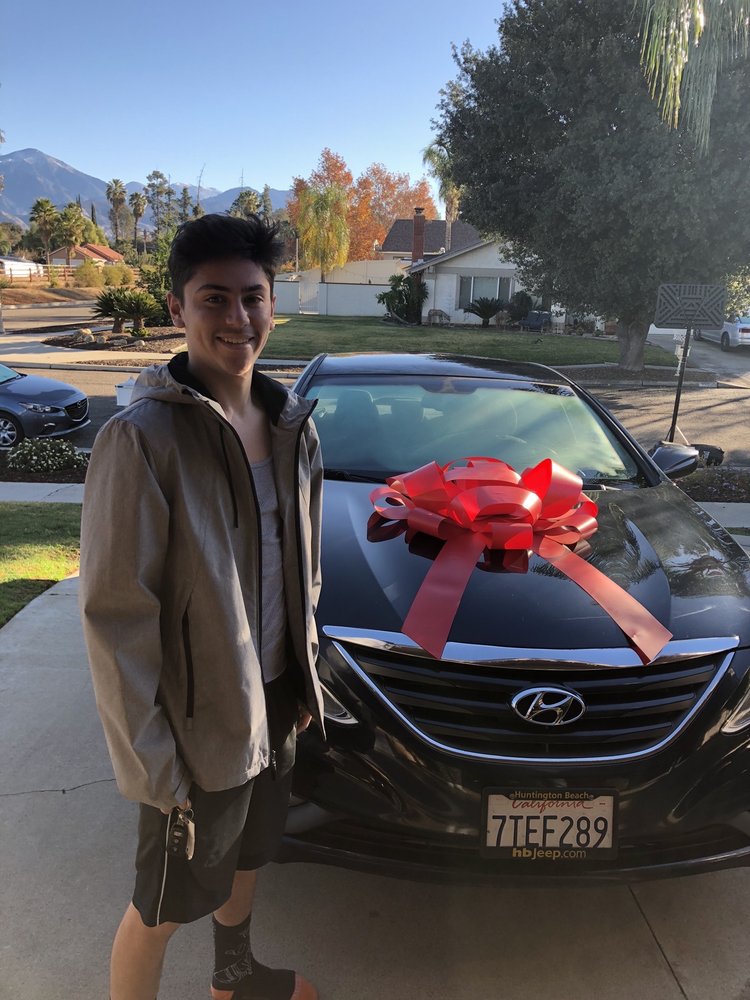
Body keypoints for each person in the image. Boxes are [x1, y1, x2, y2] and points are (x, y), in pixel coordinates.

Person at [79, 213, 324, 1000]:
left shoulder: (291, 428)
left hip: (275, 701)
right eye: (213, 298)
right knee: (162, 907)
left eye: (252, 296)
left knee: (250, 854)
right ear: (177, 308)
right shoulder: (141, 439)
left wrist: (305, 679)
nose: (237, 317)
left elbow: (304, 570)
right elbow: (116, 618)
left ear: (273, 303)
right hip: (193, 728)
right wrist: (152, 760)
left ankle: (236, 979)